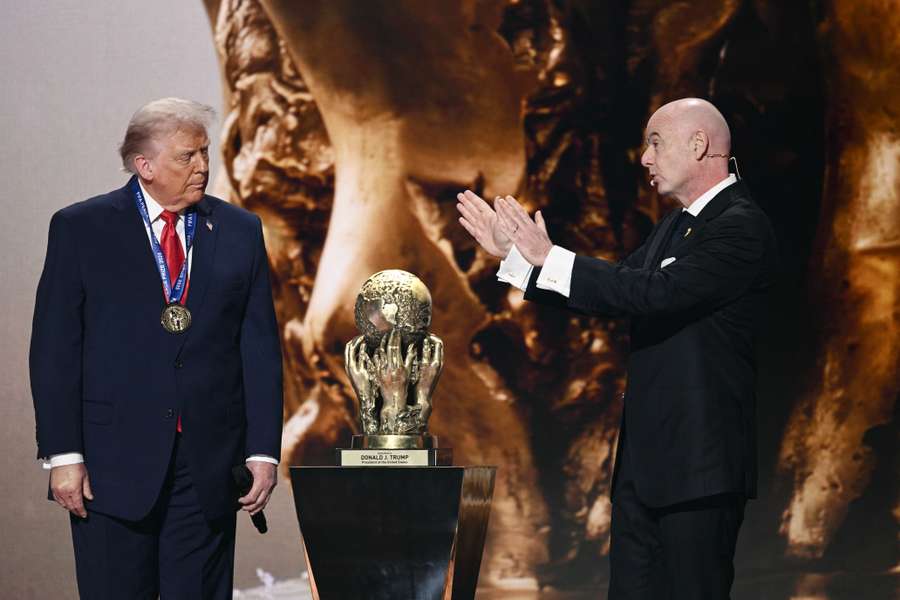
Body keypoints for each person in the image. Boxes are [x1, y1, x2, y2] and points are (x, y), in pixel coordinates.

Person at [457, 97, 777, 598]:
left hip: (699, 472)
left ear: (699, 145)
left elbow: (652, 294)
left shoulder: (740, 225)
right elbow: (617, 290)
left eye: (655, 142)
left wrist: (551, 256)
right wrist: (520, 261)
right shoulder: (676, 224)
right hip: (646, 470)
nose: (644, 158)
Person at [30, 98, 283, 599]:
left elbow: (258, 346)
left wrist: (262, 450)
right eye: (187, 156)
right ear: (144, 166)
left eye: (205, 153)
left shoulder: (239, 230)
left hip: (207, 466)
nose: (203, 167)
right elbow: (55, 350)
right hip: (109, 465)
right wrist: (63, 454)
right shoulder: (82, 228)